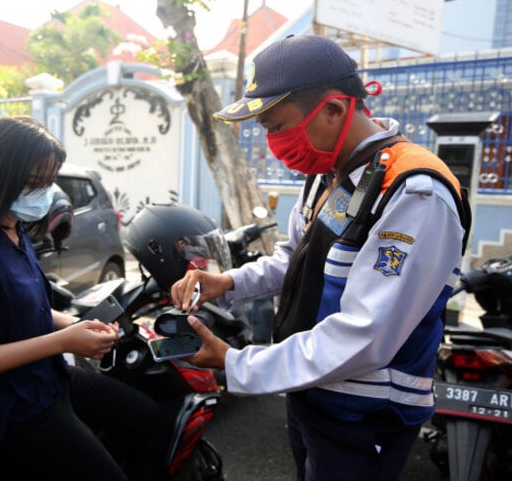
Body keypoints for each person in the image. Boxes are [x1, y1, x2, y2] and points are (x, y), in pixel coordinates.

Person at [170, 35, 470, 480]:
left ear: (333, 108)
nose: (272, 141)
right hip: (313, 387)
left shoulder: (414, 191)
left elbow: (366, 336)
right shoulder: (330, 172)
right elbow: (297, 258)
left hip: (366, 410)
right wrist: (229, 282)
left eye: (276, 125)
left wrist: (236, 363)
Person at [0, 116, 165, 480]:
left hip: (46, 381)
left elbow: (25, 308)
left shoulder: (14, 231)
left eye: (48, 183)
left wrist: (74, 325)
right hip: (9, 411)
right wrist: (63, 341)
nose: (43, 194)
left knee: (147, 417)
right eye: (34, 183)